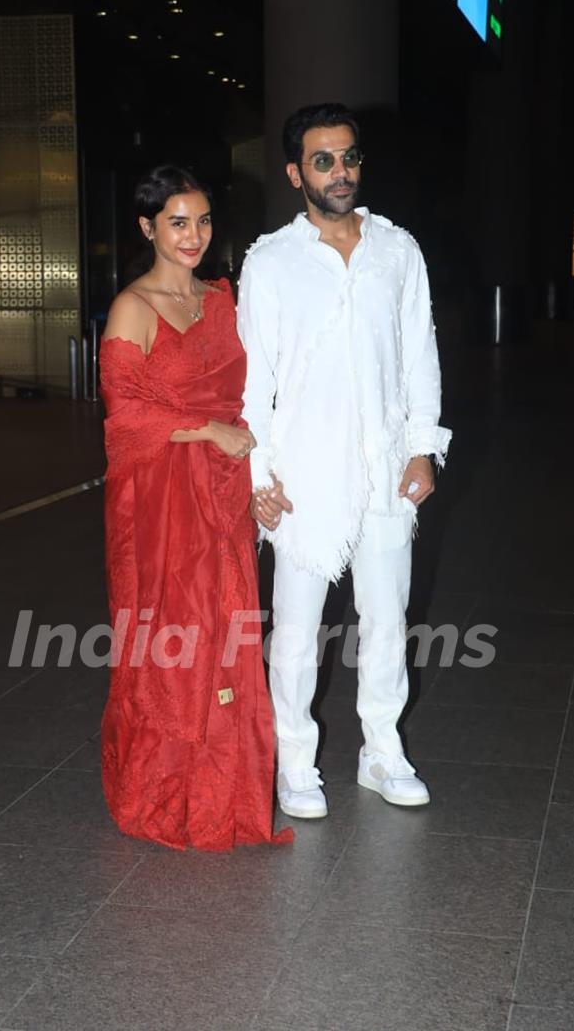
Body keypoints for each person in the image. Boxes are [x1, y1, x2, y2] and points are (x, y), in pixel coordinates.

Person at [237, 103, 452, 820]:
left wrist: (424, 446)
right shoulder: (269, 261)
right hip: (302, 478)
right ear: (295, 171)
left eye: (350, 157)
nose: (340, 172)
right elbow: (253, 382)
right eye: (323, 160)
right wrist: (258, 477)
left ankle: (382, 752)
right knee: (296, 633)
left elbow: (420, 352)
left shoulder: (399, 250)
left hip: (386, 468)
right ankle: (294, 762)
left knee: (387, 622)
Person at [99, 164, 292, 850]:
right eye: (178, 221)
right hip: (158, 501)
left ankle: (224, 791)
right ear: (147, 226)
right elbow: (125, 416)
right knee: (171, 640)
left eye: (204, 221)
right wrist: (210, 430)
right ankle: (162, 792)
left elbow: (259, 391)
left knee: (226, 633)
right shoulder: (133, 306)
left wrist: (259, 469)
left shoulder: (221, 301)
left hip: (221, 491)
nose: (193, 235)